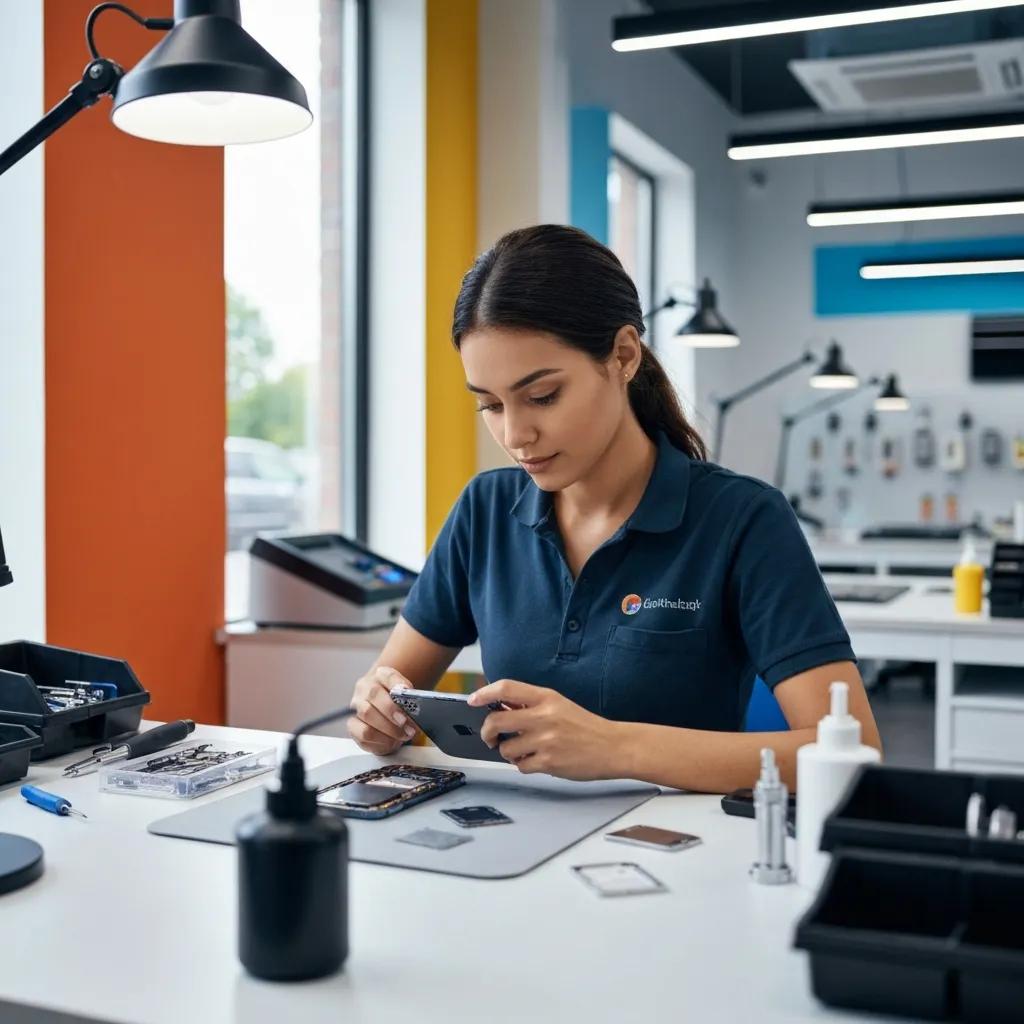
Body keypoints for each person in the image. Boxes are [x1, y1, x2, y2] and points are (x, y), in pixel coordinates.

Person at [347, 224, 881, 792]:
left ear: (623, 356)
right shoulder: (485, 510)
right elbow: (388, 695)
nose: (516, 433)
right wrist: (376, 713)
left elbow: (850, 752)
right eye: (490, 404)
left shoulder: (743, 519)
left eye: (543, 396)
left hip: (676, 853)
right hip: (507, 846)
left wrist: (615, 745)